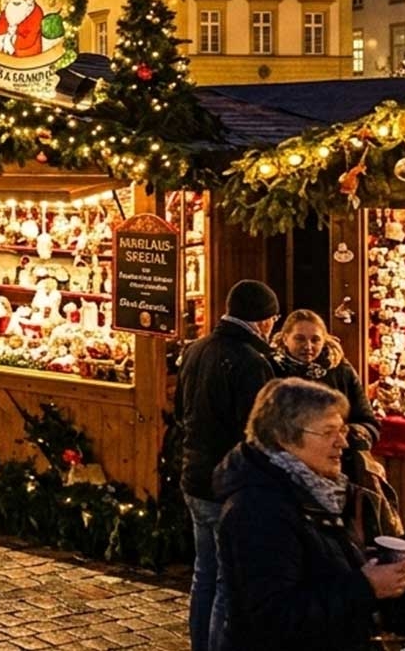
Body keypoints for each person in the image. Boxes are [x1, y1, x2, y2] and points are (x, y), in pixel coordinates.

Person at [215, 378, 405, 651]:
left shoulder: (321, 490)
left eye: (342, 430)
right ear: (284, 436)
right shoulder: (258, 509)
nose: (342, 443)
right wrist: (365, 586)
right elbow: (273, 617)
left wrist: (361, 562)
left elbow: (316, 565)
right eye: (328, 432)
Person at [177, 279, 280, 651]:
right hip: (229, 484)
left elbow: (179, 410)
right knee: (226, 580)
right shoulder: (253, 363)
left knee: (205, 573)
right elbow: (257, 430)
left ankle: (198, 644)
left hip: (194, 475)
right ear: (264, 320)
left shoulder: (197, 348)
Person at [269, 310, 380, 466]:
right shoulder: (270, 369)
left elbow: (369, 422)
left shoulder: (340, 371)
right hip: (285, 465)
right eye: (300, 339)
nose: (308, 346)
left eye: (315, 340)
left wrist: (350, 434)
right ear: (285, 338)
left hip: (337, 463)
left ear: (324, 340)